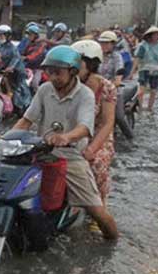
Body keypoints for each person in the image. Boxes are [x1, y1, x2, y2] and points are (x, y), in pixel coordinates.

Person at [9, 46, 118, 240]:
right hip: (42, 151)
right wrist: (6, 138)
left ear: (73, 72)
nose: (53, 77)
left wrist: (66, 137)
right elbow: (26, 120)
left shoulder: (85, 94)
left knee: (97, 211)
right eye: (49, 72)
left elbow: (85, 127)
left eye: (58, 72)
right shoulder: (44, 90)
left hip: (71, 156)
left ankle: (113, 240)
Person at [72, 40, 117, 210]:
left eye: (78, 63)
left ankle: (100, 206)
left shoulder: (107, 87)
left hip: (98, 136)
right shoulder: (68, 84)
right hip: (72, 133)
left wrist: (92, 148)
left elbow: (107, 123)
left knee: (97, 165)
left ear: (91, 65)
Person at [0, 24, 32, 113]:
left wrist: (10, 67)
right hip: (1, 71)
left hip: (16, 72)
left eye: (2, 35)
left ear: (8, 36)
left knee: (18, 88)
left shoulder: (12, 48)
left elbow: (16, 59)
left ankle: (23, 106)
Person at [131, 26, 158, 112]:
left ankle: (150, 107)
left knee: (153, 90)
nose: (156, 36)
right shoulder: (143, 46)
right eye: (154, 34)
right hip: (144, 69)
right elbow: (137, 58)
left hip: (157, 69)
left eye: (157, 34)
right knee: (142, 89)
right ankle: (140, 107)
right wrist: (132, 72)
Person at [21, 23, 48, 90]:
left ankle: (40, 98)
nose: (29, 36)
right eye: (28, 34)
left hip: (38, 68)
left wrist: (26, 58)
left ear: (36, 35)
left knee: (34, 84)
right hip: (29, 67)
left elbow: (36, 54)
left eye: (30, 34)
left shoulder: (41, 44)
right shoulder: (29, 43)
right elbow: (23, 52)